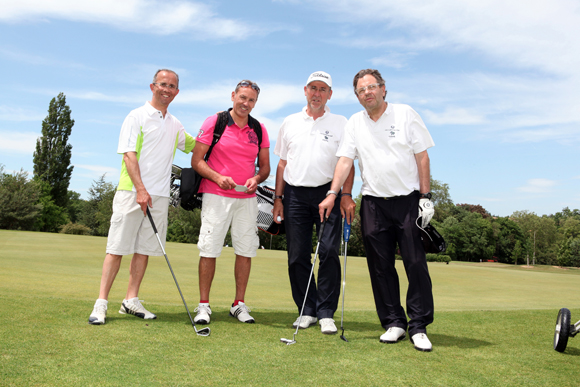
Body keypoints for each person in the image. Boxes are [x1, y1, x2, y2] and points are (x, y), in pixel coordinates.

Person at [318, 69, 436, 351]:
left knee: (415, 263)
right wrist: (333, 193)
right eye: (361, 90)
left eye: (372, 87)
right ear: (357, 96)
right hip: (373, 202)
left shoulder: (405, 113)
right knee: (380, 267)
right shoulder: (355, 123)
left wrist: (425, 196)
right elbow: (345, 161)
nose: (367, 93)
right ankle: (394, 322)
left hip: (408, 201)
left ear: (384, 89)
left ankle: (418, 325)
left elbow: (422, 156)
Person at [88, 69, 196, 325]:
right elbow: (128, 155)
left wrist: (220, 130)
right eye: (162, 84)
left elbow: (195, 145)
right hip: (132, 192)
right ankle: (101, 303)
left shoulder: (175, 124)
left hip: (158, 196)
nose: (166, 89)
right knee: (116, 248)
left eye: (171, 86)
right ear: (152, 86)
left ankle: (131, 300)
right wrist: (140, 189)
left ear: (177, 92)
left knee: (143, 251)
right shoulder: (136, 116)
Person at [273, 71, 355, 334]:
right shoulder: (289, 122)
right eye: (313, 88)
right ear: (305, 90)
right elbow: (282, 164)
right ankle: (306, 310)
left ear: (330, 94)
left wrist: (345, 194)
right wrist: (278, 198)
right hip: (294, 194)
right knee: (297, 255)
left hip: (327, 192)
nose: (317, 93)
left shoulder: (341, 123)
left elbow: (347, 161)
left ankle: (326, 312)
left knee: (328, 251)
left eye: (323, 89)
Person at [191, 80, 270, 325]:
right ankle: (203, 305)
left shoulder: (259, 128)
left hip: (246, 199)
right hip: (216, 196)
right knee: (209, 249)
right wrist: (216, 177)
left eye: (251, 100)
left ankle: (239, 304)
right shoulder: (214, 122)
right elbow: (197, 160)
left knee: (245, 251)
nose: (246, 104)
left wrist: (256, 178)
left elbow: (265, 167)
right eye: (242, 98)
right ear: (233, 95)